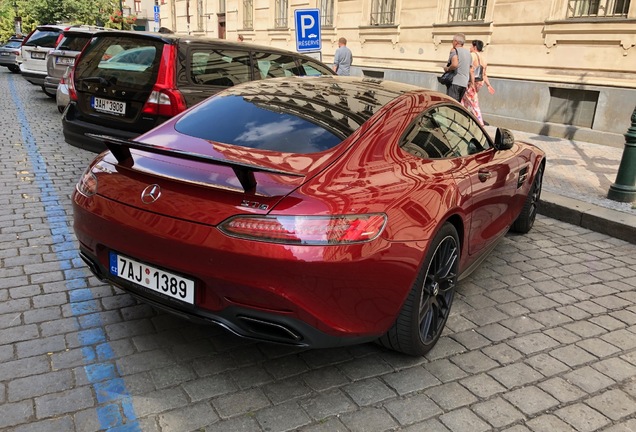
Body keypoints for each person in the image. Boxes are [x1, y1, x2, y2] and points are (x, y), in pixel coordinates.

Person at [462, 40, 495, 126]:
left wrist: (472, 83)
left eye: (471, 46)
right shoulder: (484, 59)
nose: (470, 48)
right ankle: (462, 119)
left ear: (475, 47)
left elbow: (471, 70)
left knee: (473, 103)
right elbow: (484, 74)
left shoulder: (472, 55)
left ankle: (480, 123)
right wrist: (488, 85)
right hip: (480, 82)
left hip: (471, 82)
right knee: (464, 100)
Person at [443, 33, 471, 103]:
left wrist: (447, 68)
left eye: (452, 41)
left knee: (451, 105)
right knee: (457, 105)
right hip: (464, 83)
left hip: (455, 82)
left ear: (456, 42)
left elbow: (455, 64)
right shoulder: (469, 53)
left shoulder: (455, 51)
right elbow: (471, 69)